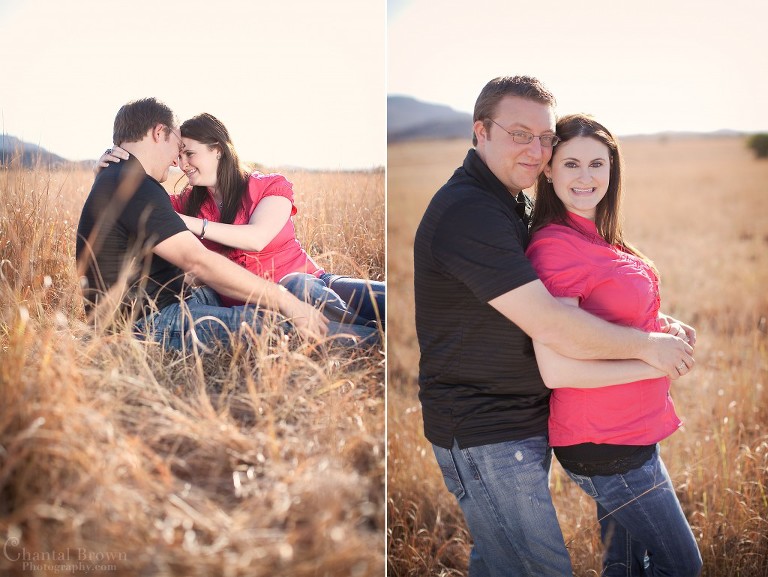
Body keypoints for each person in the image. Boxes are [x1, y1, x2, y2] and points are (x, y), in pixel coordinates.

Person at [413, 76, 695, 576]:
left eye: (545, 137)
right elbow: (554, 326)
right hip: (484, 430)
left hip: (521, 421)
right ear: (480, 131)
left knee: (503, 560)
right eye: (521, 134)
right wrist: (648, 349)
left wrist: (654, 324)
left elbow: (580, 304)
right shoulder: (470, 210)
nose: (537, 149)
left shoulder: (512, 200)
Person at [526, 113, 702, 576]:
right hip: (605, 442)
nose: (586, 177)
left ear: (612, 168)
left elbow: (603, 316)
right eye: (571, 165)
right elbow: (556, 368)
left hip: (632, 432)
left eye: (597, 164)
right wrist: (655, 358)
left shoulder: (599, 237)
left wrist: (663, 326)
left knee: (623, 566)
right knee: (682, 565)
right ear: (549, 170)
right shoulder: (554, 248)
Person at [76, 97, 377, 352]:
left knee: (305, 290)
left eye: (188, 153)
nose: (177, 164)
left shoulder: (127, 183)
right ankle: (376, 346)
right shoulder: (134, 185)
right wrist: (283, 301)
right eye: (177, 150)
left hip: (300, 282)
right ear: (158, 133)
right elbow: (197, 261)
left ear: (218, 149)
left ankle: (372, 334)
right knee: (278, 325)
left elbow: (254, 239)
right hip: (146, 321)